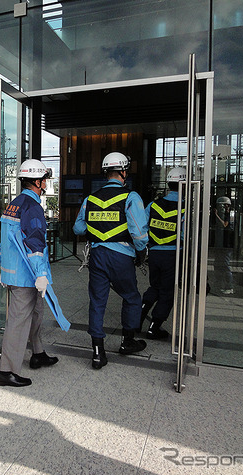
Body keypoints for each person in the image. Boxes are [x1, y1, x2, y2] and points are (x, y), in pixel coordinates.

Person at [73, 152, 148, 370]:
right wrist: (141, 251)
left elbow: (78, 228)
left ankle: (97, 352)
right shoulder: (131, 197)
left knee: (97, 301)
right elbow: (139, 233)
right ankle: (127, 341)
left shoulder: (90, 199)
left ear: (106, 173)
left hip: (97, 256)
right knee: (132, 297)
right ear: (124, 172)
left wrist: (98, 229)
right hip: (122, 256)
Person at [0, 159, 59, 388]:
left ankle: (38, 353)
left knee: (36, 314)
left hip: (14, 273)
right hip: (26, 276)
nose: (46, 186)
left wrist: (4, 271)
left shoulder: (14, 203)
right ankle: (6, 371)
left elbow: (4, 243)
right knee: (18, 322)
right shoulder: (32, 208)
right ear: (39, 182)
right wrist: (41, 274)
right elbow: (35, 244)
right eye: (45, 181)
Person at [140, 167, 186, 340]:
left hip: (154, 254)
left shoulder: (153, 205)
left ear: (168, 184)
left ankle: (137, 319)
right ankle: (154, 327)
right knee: (167, 291)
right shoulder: (184, 208)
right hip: (172, 255)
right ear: (184, 185)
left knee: (154, 287)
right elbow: (185, 235)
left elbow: (142, 228)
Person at [212, 196, 234, 294]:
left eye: (222, 206)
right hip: (221, 243)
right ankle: (219, 284)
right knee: (218, 264)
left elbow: (225, 224)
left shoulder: (230, 215)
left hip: (227, 244)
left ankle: (229, 286)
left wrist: (216, 215)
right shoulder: (225, 214)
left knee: (225, 265)